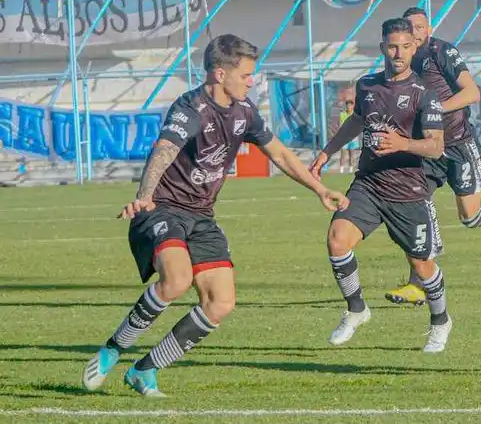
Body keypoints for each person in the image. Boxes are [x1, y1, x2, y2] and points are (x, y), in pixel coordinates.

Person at [82, 34, 349, 397]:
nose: (251, 81)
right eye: (246, 75)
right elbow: (163, 151)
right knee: (176, 281)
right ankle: (114, 348)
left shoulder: (245, 112)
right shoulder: (191, 109)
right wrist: (143, 197)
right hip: (162, 209)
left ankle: (145, 370)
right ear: (220, 74)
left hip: (201, 216)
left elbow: (281, 155)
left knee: (221, 303)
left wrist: (319, 189)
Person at [309, 18, 452, 352]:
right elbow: (357, 121)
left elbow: (436, 147)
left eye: (405, 47)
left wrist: (403, 143)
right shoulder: (367, 85)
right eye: (392, 47)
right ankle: (357, 309)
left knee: (421, 264)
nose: (398, 53)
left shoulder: (425, 94)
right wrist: (327, 152)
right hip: (369, 184)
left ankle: (441, 320)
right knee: (337, 240)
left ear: (414, 48)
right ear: (382, 48)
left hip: (407, 192)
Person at [384, 7, 481, 307]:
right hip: (427, 147)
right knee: (413, 203)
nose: (415, 33)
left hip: (459, 144)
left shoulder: (442, 52)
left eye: (420, 27)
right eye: (410, 28)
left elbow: (472, 93)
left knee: (471, 217)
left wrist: (434, 110)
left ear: (429, 29)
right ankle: (418, 283)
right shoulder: (399, 61)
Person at [338, 98, 360, 173]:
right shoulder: (342, 114)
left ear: (353, 106)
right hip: (344, 137)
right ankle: (341, 170)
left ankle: (350, 170)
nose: (349, 107)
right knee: (343, 154)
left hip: (353, 138)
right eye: (348, 105)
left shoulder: (355, 115)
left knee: (352, 154)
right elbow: (340, 125)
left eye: (350, 105)